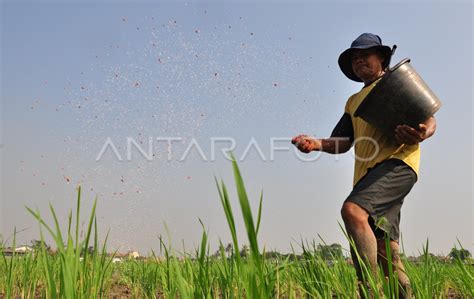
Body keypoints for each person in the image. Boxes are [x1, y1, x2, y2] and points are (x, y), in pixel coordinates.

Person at [291, 33, 436, 298]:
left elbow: (428, 117)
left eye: (364, 56)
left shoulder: (396, 82)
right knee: (386, 253)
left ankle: (366, 291)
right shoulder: (353, 103)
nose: (359, 62)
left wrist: (423, 131)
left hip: (397, 164)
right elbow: (342, 142)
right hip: (368, 176)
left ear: (381, 57)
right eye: (354, 59)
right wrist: (315, 144)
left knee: (353, 211)